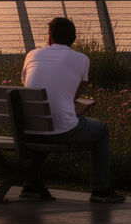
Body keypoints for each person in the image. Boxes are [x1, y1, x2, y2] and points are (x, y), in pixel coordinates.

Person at [21, 17, 124, 203]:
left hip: (28, 129)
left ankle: (31, 185)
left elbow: (28, 86)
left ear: (49, 37)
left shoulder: (32, 55)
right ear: (73, 39)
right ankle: (101, 190)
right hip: (60, 130)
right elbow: (74, 96)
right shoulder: (82, 59)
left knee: (48, 123)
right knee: (100, 130)